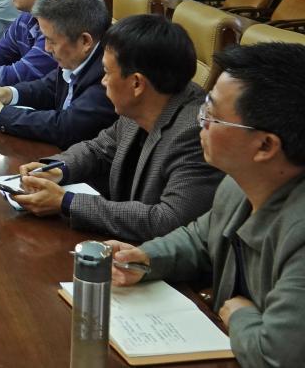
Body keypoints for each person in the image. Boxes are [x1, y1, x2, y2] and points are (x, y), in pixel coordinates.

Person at [108, 43, 305, 368]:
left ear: (265, 146)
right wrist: (145, 258)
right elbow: (200, 239)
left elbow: (275, 356)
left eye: (213, 116)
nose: (201, 123)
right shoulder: (238, 184)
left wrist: (240, 315)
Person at [12, 15, 222, 241]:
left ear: (136, 83)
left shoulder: (195, 133)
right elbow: (98, 148)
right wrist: (58, 169)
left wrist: (66, 202)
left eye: (107, 72)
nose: (103, 81)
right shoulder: (145, 103)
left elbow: (167, 220)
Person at [0, 0, 116, 149]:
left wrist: (1, 115)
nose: (46, 48)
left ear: (85, 41)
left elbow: (68, 127)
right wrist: (10, 93)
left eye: (51, 41)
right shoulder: (76, 56)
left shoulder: (110, 73)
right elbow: (49, 87)